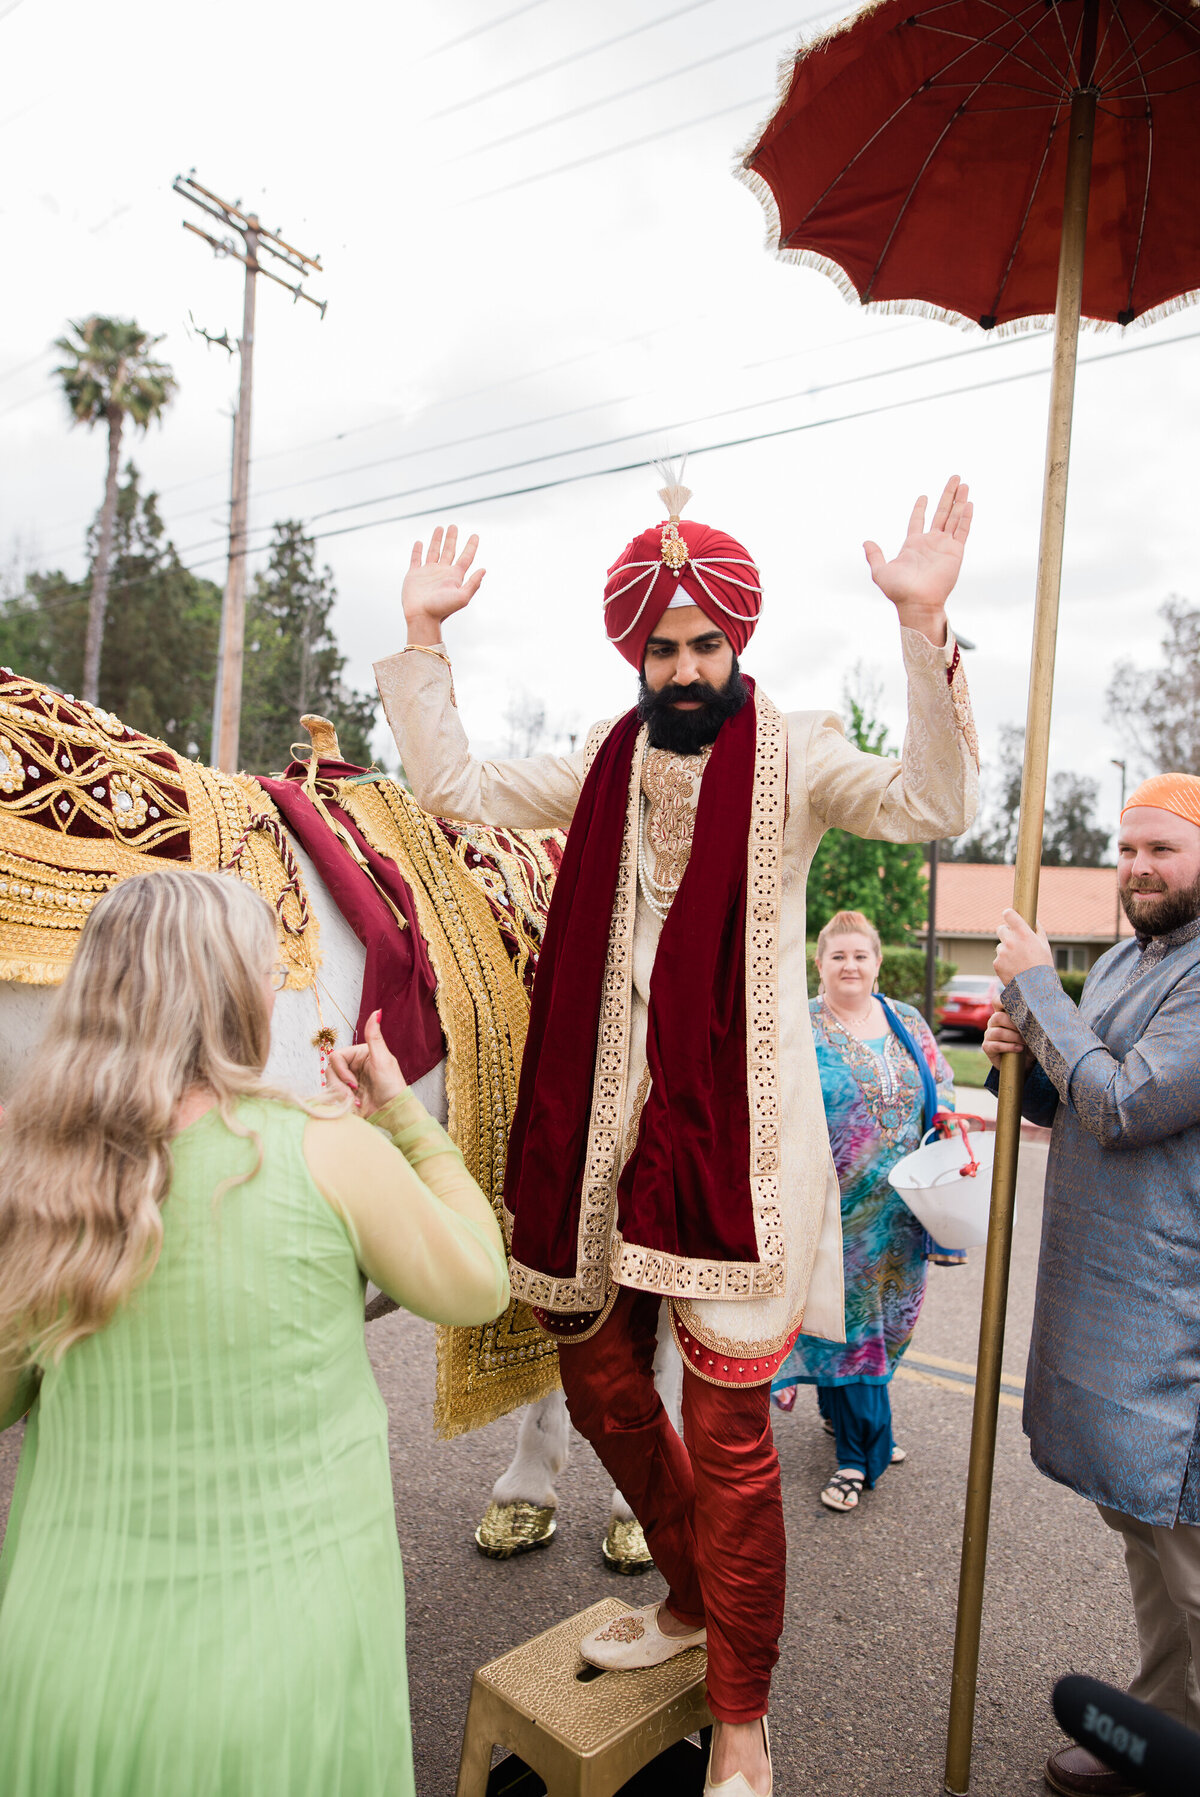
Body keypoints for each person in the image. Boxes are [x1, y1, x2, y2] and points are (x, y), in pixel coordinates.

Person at [376, 466, 978, 1795]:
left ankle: (745, 1712)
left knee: (730, 1438)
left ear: (739, 644)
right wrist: (424, 643)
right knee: (597, 1386)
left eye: (709, 643)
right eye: (667, 647)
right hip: (604, 1133)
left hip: (745, 1149)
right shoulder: (603, 757)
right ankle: (698, 1604)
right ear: (637, 654)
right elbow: (462, 784)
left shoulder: (805, 750)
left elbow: (938, 804)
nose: (690, 666)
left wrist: (924, 636)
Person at [0, 870, 509, 1797]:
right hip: (285, 1682)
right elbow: (479, 1282)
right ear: (236, 994)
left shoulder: (33, 1176)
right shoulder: (327, 1148)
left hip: (65, 1668)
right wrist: (404, 1119)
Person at [983, 773, 1200, 1797]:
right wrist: (1011, 1053)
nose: (1140, 869)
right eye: (1129, 851)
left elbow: (1124, 1101)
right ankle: (1161, 1732)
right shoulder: (1123, 958)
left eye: (1164, 850)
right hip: (1106, 1306)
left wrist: (1036, 995)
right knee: (1144, 1536)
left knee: (1189, 1548)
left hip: (1177, 1320)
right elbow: (1064, 1100)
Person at [770, 910, 956, 1513]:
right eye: (837, 957)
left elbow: (942, 1082)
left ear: (877, 961)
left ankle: (846, 1415)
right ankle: (860, 1457)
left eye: (861, 955)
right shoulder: (797, 1024)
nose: (850, 966)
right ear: (819, 964)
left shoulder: (905, 1020)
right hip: (834, 1218)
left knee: (892, 1328)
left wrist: (949, 1116)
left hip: (906, 1213)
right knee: (854, 1335)